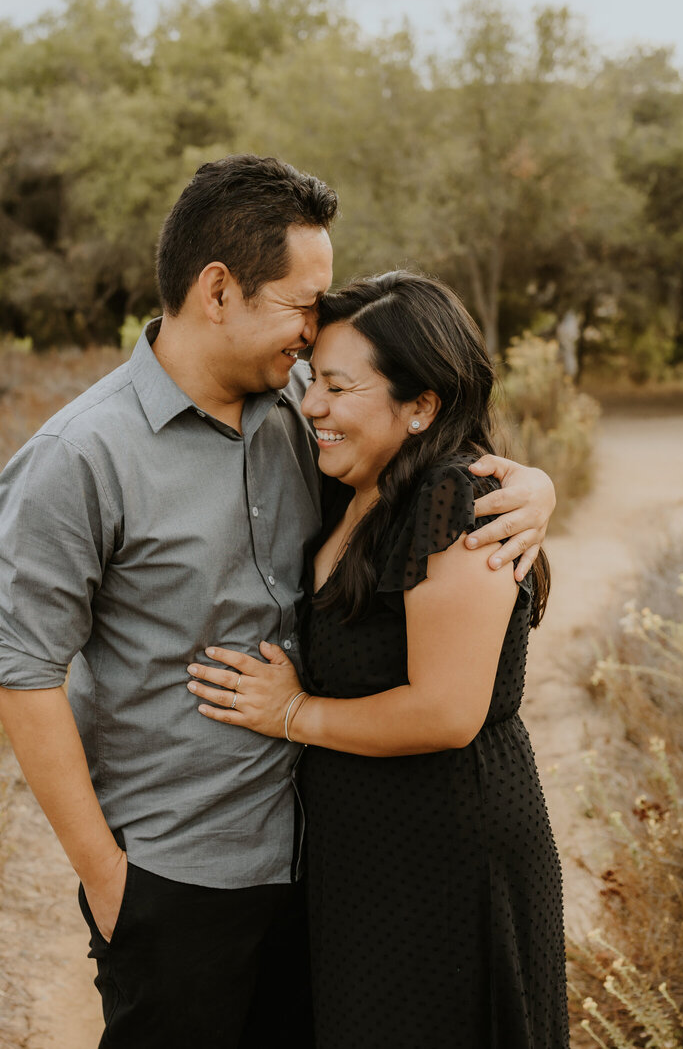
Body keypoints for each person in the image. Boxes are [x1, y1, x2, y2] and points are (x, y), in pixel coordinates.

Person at [0, 157, 557, 1049]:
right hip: (181, 877)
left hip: (331, 867)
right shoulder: (79, 457)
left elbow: (422, 464)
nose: (316, 327)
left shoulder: (305, 409)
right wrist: (108, 879)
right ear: (219, 291)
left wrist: (530, 485)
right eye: (302, 301)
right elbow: (20, 672)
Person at [186, 271, 569, 1048]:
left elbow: (447, 710)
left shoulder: (453, 500)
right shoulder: (348, 484)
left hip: (445, 847)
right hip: (360, 844)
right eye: (310, 381)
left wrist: (291, 712)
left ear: (421, 404)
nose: (313, 405)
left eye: (336, 386)